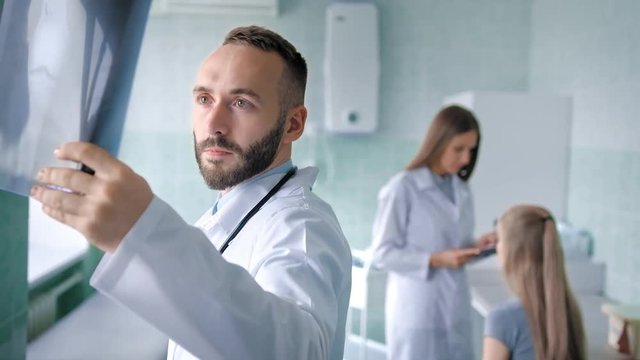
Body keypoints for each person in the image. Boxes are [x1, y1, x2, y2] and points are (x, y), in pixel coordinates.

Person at [31, 25, 352, 360]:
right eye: (204, 99)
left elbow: (296, 353)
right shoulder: (229, 212)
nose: (214, 123)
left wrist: (145, 231)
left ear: (293, 125)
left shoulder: (300, 226)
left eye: (241, 102)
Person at [370, 104, 495, 360]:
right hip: (418, 310)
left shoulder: (461, 189)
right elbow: (382, 254)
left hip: (455, 306)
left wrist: (479, 246)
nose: (466, 159)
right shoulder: (402, 188)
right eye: (459, 149)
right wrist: (436, 260)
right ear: (438, 143)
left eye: (471, 150)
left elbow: (455, 245)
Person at [482, 204, 587, 360]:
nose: (496, 247)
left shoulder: (503, 318)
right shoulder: (569, 311)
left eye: (499, 240)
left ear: (515, 253)